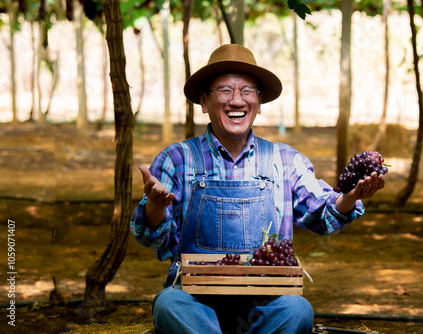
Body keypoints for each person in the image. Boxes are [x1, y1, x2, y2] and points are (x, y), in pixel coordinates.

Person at [130, 44, 385, 334]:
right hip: (195, 300)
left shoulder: (286, 160)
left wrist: (348, 198)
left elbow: (322, 212)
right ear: (203, 102)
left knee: (296, 309)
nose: (236, 101)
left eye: (247, 92)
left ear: (259, 102)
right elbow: (150, 238)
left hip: (267, 300)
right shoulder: (177, 159)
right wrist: (154, 206)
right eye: (224, 91)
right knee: (169, 305)